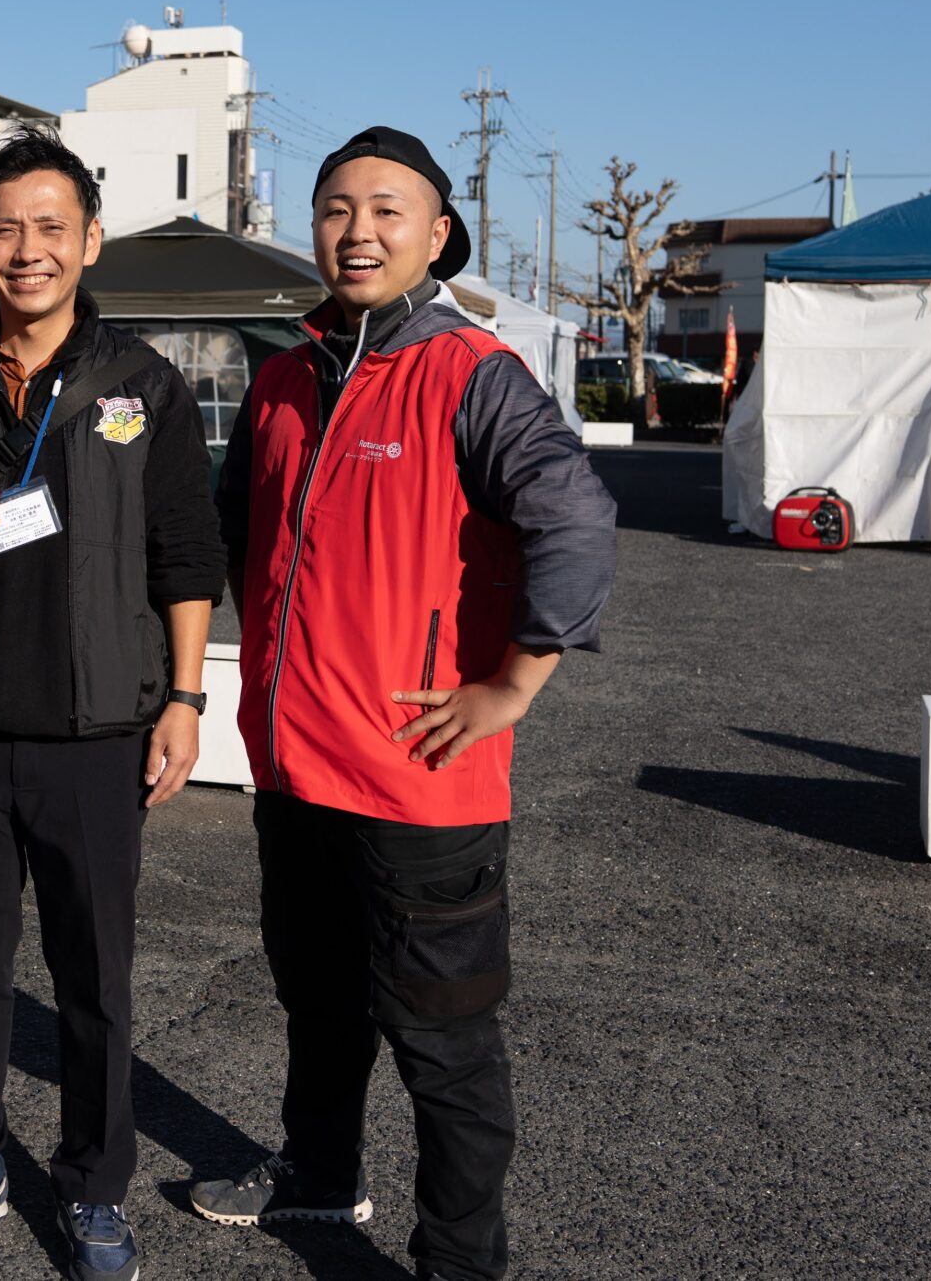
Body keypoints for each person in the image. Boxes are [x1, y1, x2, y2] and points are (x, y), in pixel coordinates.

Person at [186, 127, 617, 1281]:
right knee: (318, 1000)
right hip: (294, 767)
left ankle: (458, 1264)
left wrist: (512, 682)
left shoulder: (470, 372)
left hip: (419, 778)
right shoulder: (284, 377)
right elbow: (229, 538)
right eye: (335, 207)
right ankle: (321, 1173)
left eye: (387, 209)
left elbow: (575, 516)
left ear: (436, 234)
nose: (357, 230)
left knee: (442, 1040)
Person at [0, 127, 222, 1281]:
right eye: (6, 228)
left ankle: (93, 1184)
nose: (28, 250)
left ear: (90, 240)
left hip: (95, 728)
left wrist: (184, 697)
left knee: (93, 977)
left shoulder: (141, 386)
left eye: (51, 228)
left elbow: (186, 553)